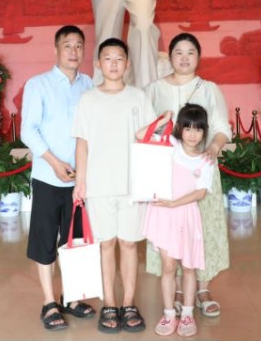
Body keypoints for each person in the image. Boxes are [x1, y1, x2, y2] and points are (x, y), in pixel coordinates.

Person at [72, 37, 156, 333]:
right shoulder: (88, 99)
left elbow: (149, 139)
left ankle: (129, 303)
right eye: (108, 58)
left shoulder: (138, 98)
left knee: (129, 244)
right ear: (98, 64)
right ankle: (109, 303)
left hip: (132, 184)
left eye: (119, 59)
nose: (114, 64)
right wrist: (80, 182)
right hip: (98, 185)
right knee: (106, 244)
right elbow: (82, 143)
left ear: (127, 64)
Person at [144, 33, 231, 318]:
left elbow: (221, 127)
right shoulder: (154, 89)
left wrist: (213, 148)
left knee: (201, 229)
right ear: (169, 57)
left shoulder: (209, 89)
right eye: (178, 52)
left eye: (190, 52)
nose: (184, 57)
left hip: (200, 170)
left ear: (198, 57)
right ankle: (179, 289)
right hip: (167, 174)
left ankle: (203, 288)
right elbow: (146, 130)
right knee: (171, 228)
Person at [21, 25, 96, 331]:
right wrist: (53, 163)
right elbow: (28, 131)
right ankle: (49, 301)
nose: (74, 52)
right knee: (45, 240)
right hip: (48, 177)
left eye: (79, 46)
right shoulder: (38, 84)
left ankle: (72, 297)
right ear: (56, 50)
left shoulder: (89, 84)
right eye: (68, 46)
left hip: (79, 180)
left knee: (74, 240)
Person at [143, 104, 214, 338]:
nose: (193, 134)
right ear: (180, 129)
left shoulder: (206, 161)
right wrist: (163, 120)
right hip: (164, 215)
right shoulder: (171, 146)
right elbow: (141, 136)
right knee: (169, 266)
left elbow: (201, 192)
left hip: (187, 215)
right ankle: (168, 314)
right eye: (188, 128)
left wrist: (175, 203)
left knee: (189, 267)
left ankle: (187, 314)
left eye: (198, 129)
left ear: (204, 131)